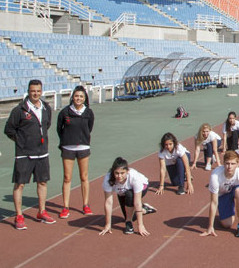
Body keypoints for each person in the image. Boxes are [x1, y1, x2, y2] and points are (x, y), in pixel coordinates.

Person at [5, 79, 55, 229]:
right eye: (33, 91)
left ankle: (42, 211)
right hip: (24, 154)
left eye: (38, 91)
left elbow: (47, 125)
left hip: (41, 152)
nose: (36, 93)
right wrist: (21, 141)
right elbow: (9, 129)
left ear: (41, 91)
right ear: (28, 91)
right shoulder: (19, 110)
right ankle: (19, 216)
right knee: (20, 184)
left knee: (42, 182)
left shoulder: (46, 107)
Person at [56, 86, 95, 219]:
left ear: (85, 99)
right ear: (72, 97)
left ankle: (85, 205)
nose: (78, 98)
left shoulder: (88, 113)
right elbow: (59, 129)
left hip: (83, 148)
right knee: (67, 178)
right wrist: (67, 140)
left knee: (84, 177)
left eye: (81, 97)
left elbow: (89, 128)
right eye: (76, 96)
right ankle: (65, 207)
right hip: (68, 148)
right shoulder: (65, 112)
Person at [99, 157, 157, 236]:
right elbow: (108, 202)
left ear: (127, 171)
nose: (119, 176)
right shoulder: (108, 178)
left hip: (142, 187)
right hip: (122, 192)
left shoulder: (134, 177)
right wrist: (108, 224)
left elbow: (137, 202)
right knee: (132, 215)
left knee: (130, 197)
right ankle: (144, 209)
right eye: (116, 173)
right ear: (113, 172)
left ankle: (128, 223)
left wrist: (140, 225)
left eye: (122, 173)